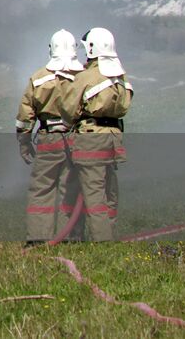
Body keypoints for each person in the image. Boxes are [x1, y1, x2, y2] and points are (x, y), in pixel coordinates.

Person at [57, 27, 133, 242]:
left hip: (90, 141)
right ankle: (107, 235)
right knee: (110, 196)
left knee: (93, 196)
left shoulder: (86, 77)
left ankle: (102, 243)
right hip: (113, 140)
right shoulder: (120, 77)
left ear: (91, 48)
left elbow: (67, 110)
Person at [16, 29, 83, 245]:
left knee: (42, 188)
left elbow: (26, 116)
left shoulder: (38, 79)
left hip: (48, 139)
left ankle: (38, 238)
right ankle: (71, 236)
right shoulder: (84, 77)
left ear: (50, 49)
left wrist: (24, 143)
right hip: (76, 138)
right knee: (71, 188)